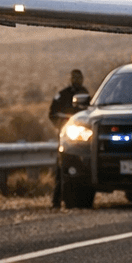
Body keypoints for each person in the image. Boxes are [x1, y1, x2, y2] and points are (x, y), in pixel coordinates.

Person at [48, 69, 88, 208]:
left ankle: (76, 199)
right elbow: (52, 114)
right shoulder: (62, 96)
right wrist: (62, 126)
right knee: (62, 168)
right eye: (74, 77)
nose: (77, 80)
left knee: (79, 168)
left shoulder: (85, 94)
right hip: (66, 135)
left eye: (79, 77)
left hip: (83, 137)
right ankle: (57, 201)